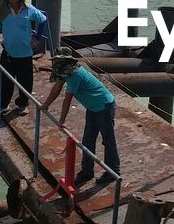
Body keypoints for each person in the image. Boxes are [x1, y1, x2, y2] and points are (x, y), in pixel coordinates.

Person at [43, 51, 120, 186]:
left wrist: (62, 121)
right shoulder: (66, 73)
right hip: (93, 108)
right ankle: (86, 172)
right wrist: (45, 105)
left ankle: (113, 171)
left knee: (108, 140)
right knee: (88, 140)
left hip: (104, 107)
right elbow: (56, 88)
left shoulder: (75, 75)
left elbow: (67, 99)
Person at [0, 0, 47, 114]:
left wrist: (37, 37)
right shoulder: (2, 11)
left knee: (25, 82)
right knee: (5, 82)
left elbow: (43, 20)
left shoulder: (29, 9)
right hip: (8, 53)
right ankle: (2, 106)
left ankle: (22, 105)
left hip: (25, 54)